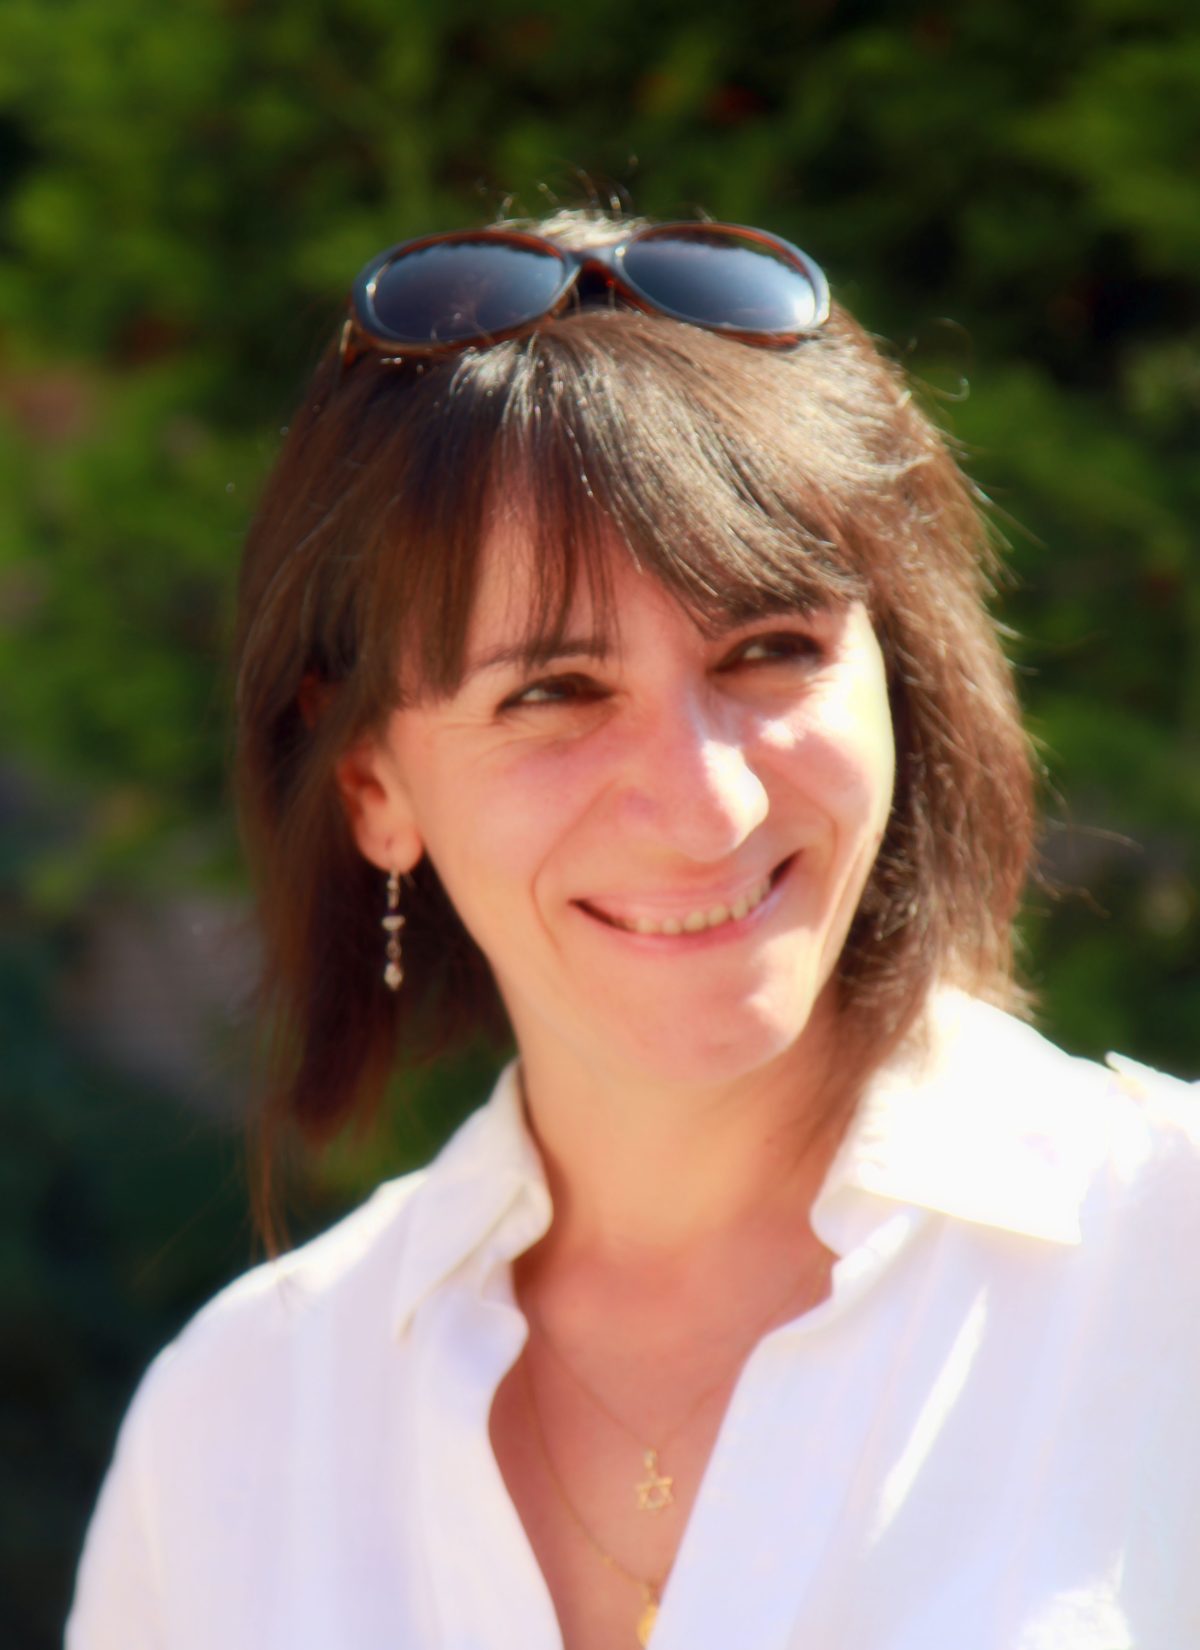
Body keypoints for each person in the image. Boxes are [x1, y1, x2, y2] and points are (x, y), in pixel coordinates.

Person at [67, 214, 1198, 1650]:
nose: (708, 803)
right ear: (372, 787)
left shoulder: (1168, 1263)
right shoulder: (235, 1429)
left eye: (771, 650)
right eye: (553, 692)